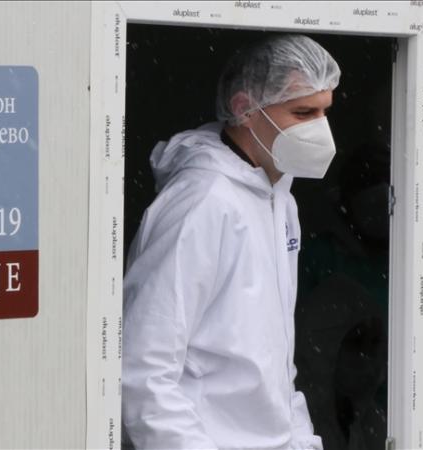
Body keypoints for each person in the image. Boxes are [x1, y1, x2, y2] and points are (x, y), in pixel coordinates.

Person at [122, 34, 341, 449]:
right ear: (244, 108)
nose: (319, 129)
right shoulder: (202, 201)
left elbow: (274, 366)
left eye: (324, 112)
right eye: (303, 112)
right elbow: (143, 366)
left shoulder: (279, 199)